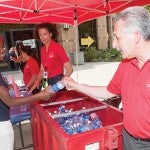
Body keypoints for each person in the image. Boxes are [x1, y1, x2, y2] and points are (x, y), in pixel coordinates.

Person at [63, 6, 150, 150]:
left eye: (117, 37)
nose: (114, 44)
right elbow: (107, 92)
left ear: (136, 36)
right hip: (128, 138)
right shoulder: (126, 64)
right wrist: (76, 85)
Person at [0, 47, 55, 150]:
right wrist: (40, 95)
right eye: (0, 48)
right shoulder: (27, 60)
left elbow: (35, 76)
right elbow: (10, 102)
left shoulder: (32, 61)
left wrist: (9, 87)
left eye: (2, 47)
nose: (3, 50)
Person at [29, 22, 73, 93]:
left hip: (58, 80)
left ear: (51, 34)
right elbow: (42, 70)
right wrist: (37, 82)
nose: (43, 37)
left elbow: (70, 69)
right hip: (48, 80)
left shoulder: (58, 48)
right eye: (40, 35)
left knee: (59, 102)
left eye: (45, 34)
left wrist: (61, 83)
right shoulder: (42, 49)